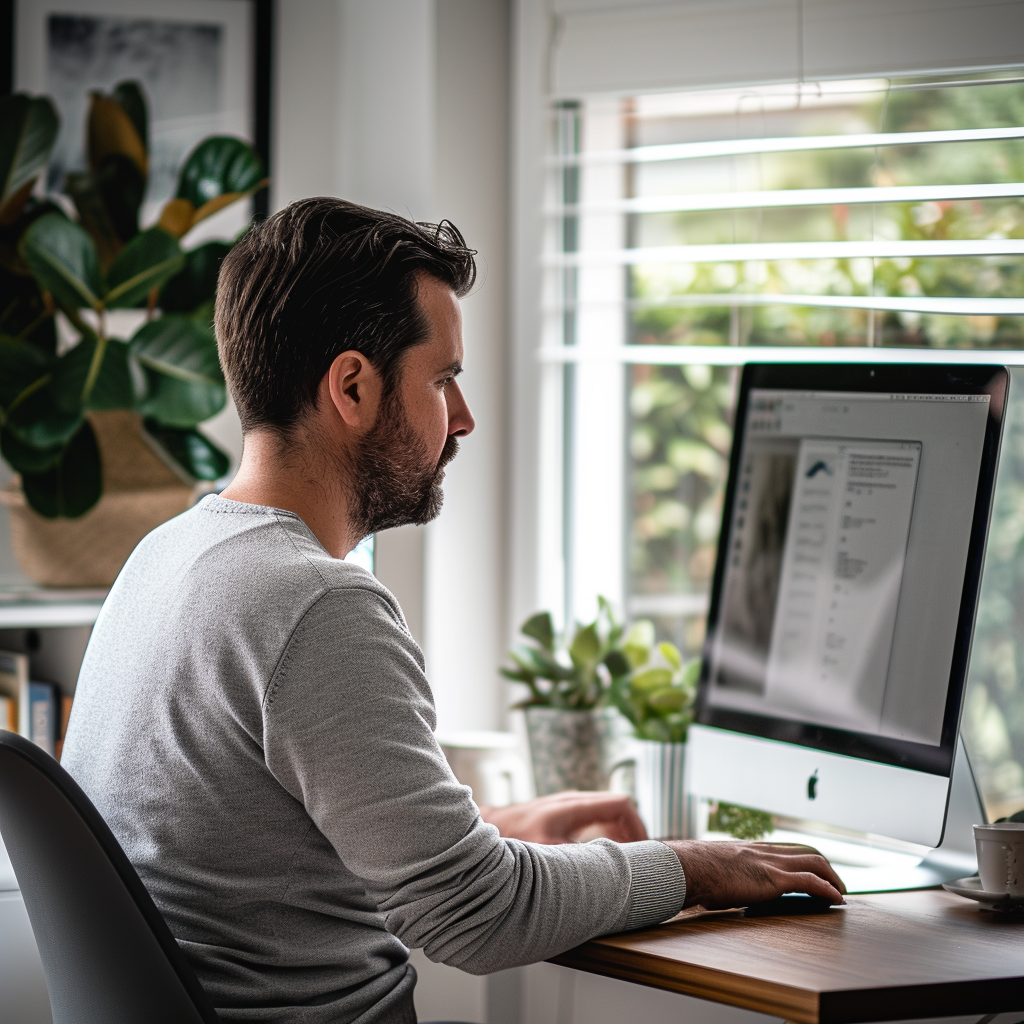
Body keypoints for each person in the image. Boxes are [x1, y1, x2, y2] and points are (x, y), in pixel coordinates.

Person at [62, 198, 844, 1024]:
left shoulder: (166, 556)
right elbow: (474, 914)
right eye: (442, 380)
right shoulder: (314, 603)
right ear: (353, 387)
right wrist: (693, 866)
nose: (462, 418)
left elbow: (266, 844)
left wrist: (490, 828)